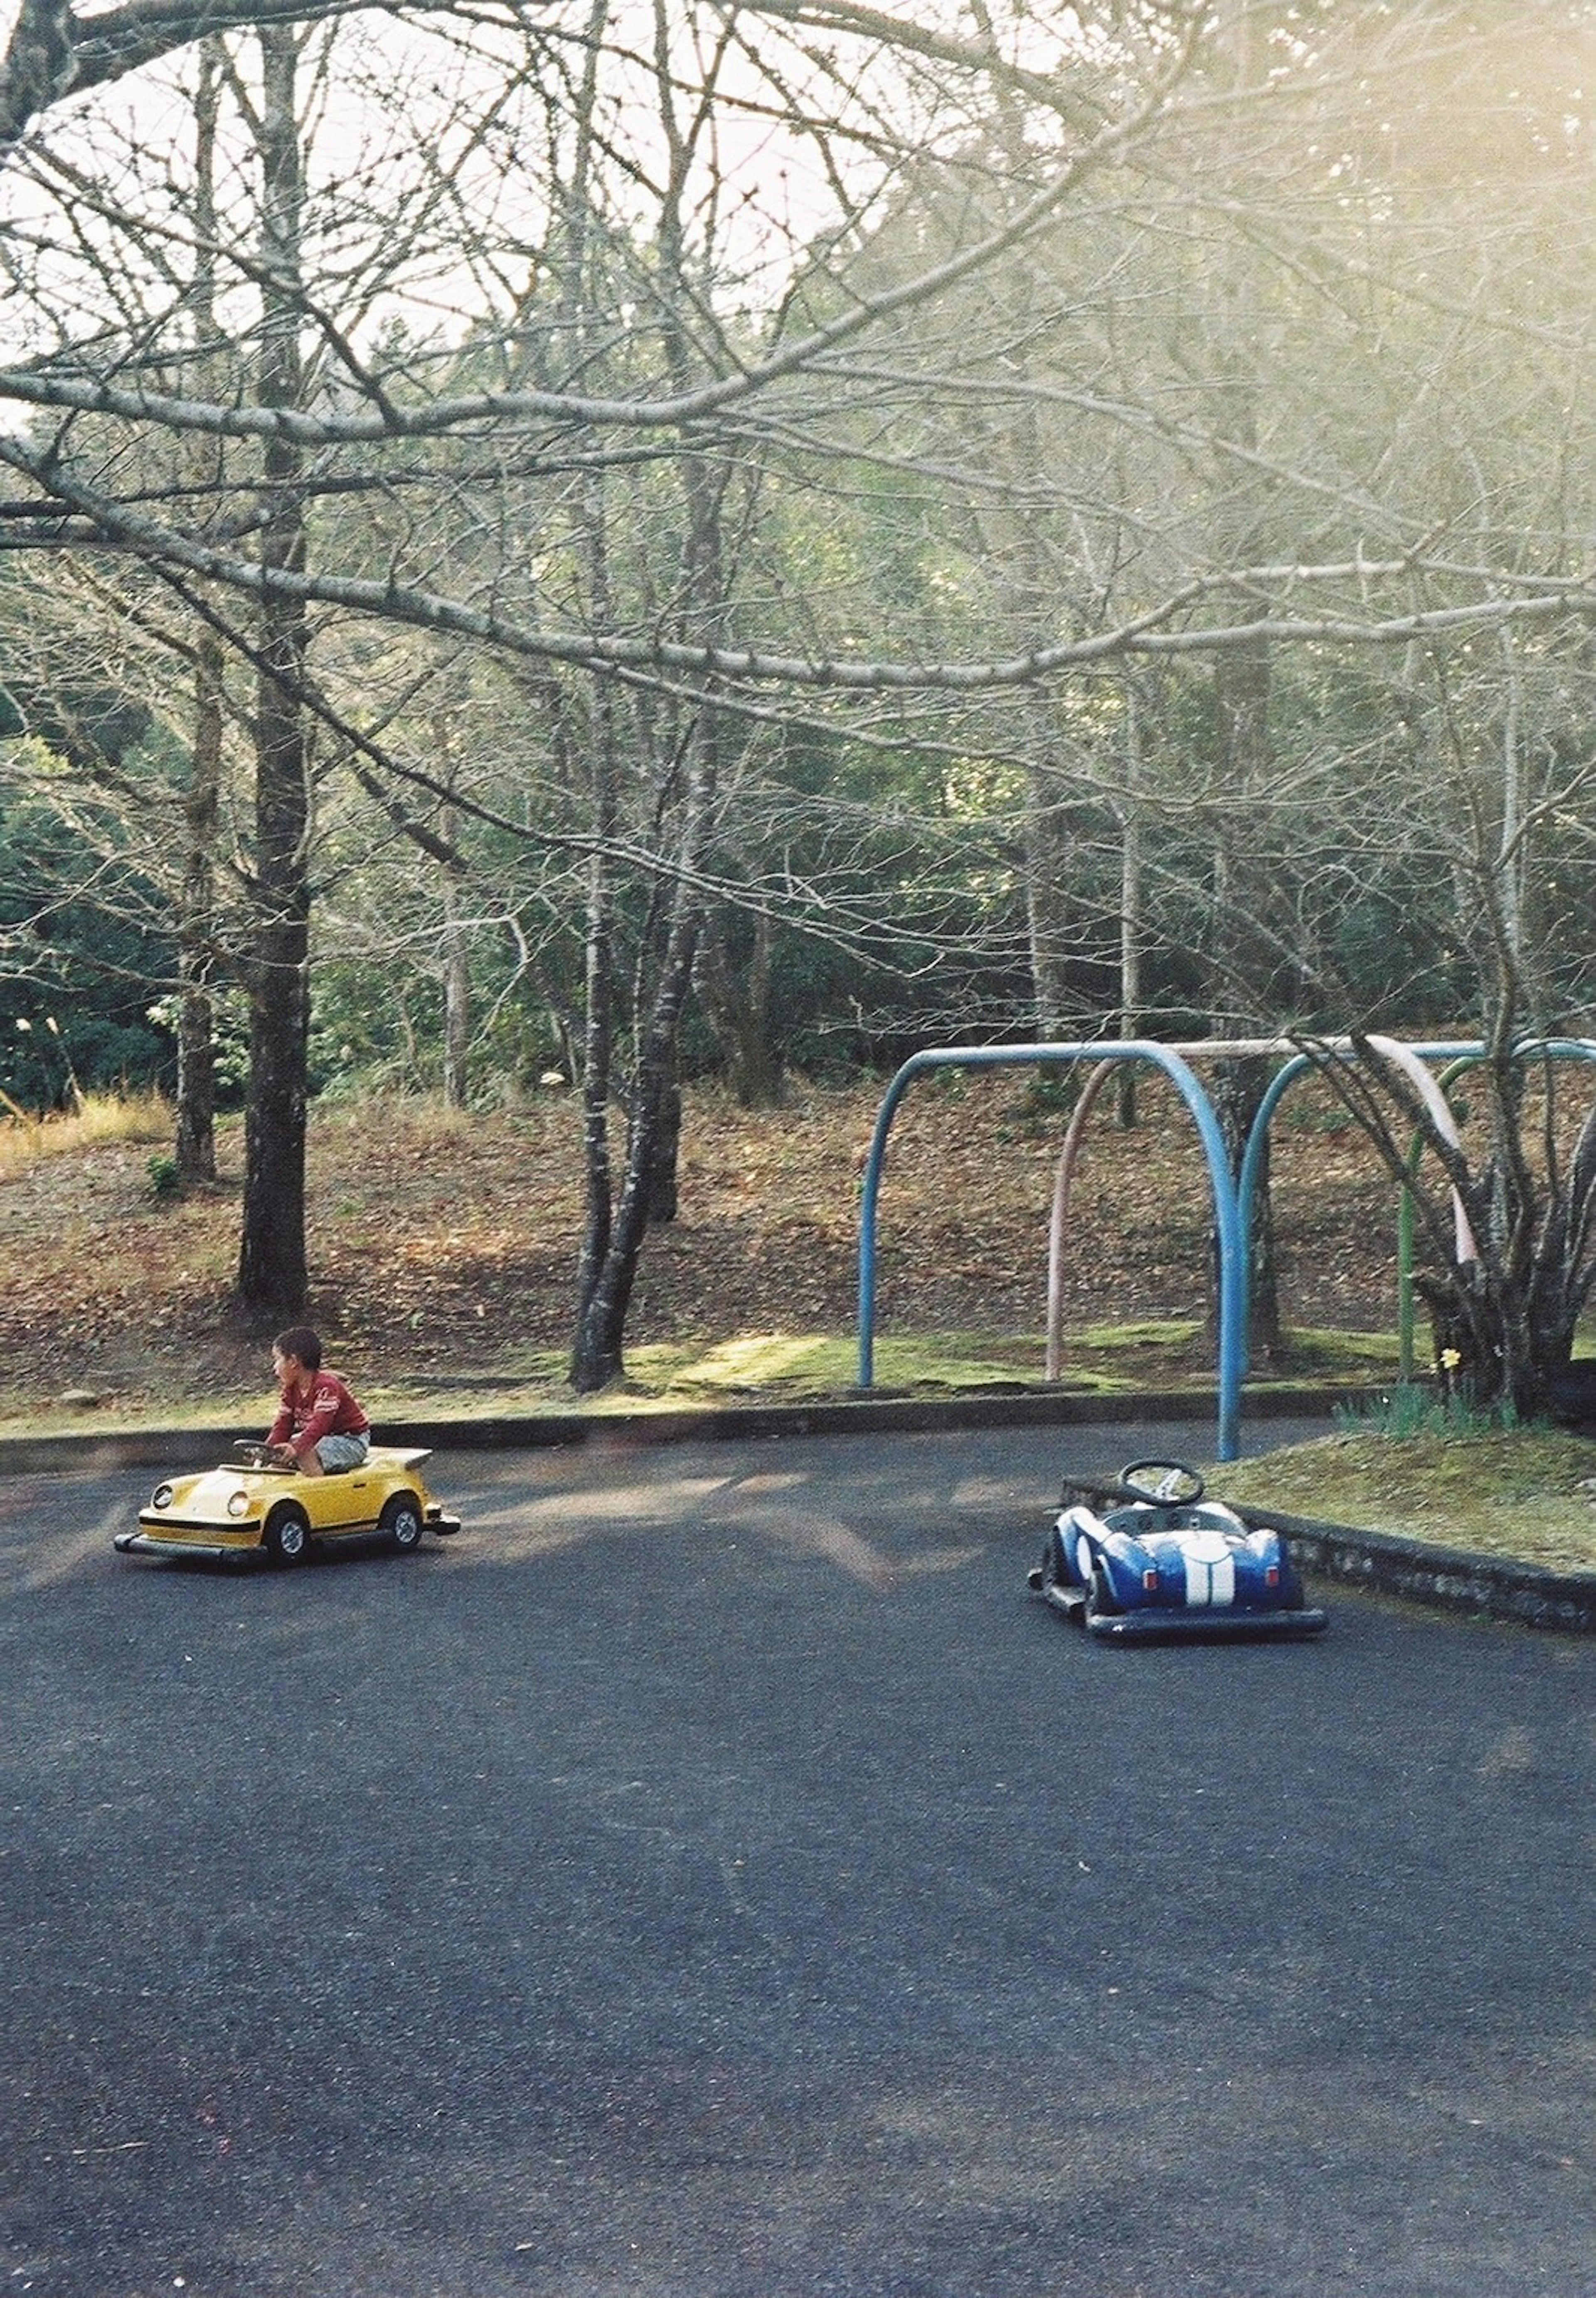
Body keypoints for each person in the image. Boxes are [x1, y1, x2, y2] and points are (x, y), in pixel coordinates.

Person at [264, 1326, 371, 1477]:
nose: (275, 1368)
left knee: (304, 1451)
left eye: (278, 1360)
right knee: (281, 1452)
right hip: (324, 1439)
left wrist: (297, 1448)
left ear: (294, 1361)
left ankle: (316, 1494)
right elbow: (283, 1425)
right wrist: (267, 1450)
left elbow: (320, 1425)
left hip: (351, 1440)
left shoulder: (327, 1387)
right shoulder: (290, 1390)